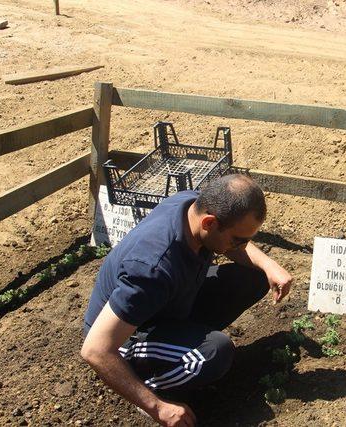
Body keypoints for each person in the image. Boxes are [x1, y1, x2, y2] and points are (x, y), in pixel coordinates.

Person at [81, 174, 293, 427]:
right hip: (124, 336)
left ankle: (178, 345)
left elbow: (243, 251)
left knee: (255, 274)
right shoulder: (151, 270)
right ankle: (151, 383)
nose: (243, 246)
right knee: (214, 352)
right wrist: (156, 407)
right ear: (209, 223)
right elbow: (95, 349)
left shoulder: (190, 204)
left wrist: (269, 265)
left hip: (163, 305)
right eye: (238, 240)